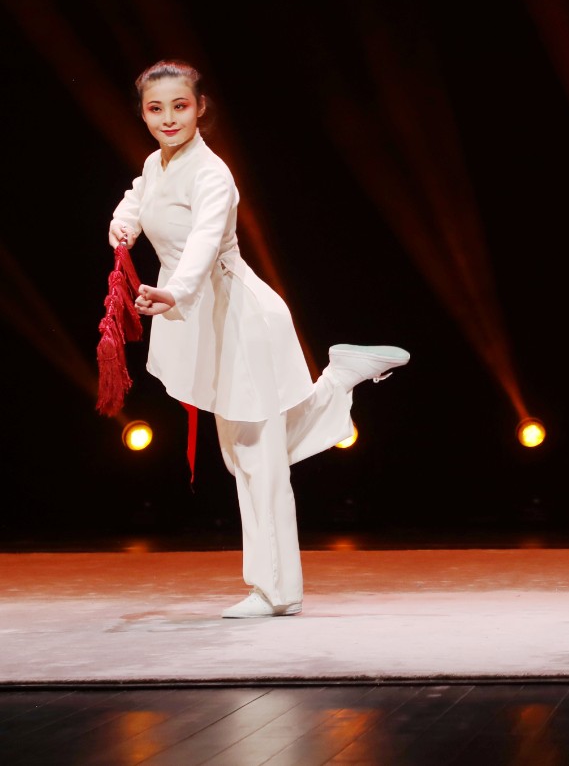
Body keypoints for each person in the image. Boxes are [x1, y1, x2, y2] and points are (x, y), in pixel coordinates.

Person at [109, 61, 409, 618]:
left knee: (258, 458)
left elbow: (203, 244)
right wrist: (123, 223)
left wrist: (174, 292)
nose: (168, 118)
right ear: (143, 114)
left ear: (200, 108)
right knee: (245, 453)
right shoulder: (156, 164)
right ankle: (339, 379)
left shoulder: (212, 174)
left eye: (180, 106)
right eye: (155, 108)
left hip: (240, 317)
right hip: (206, 318)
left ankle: (276, 591)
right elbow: (138, 195)